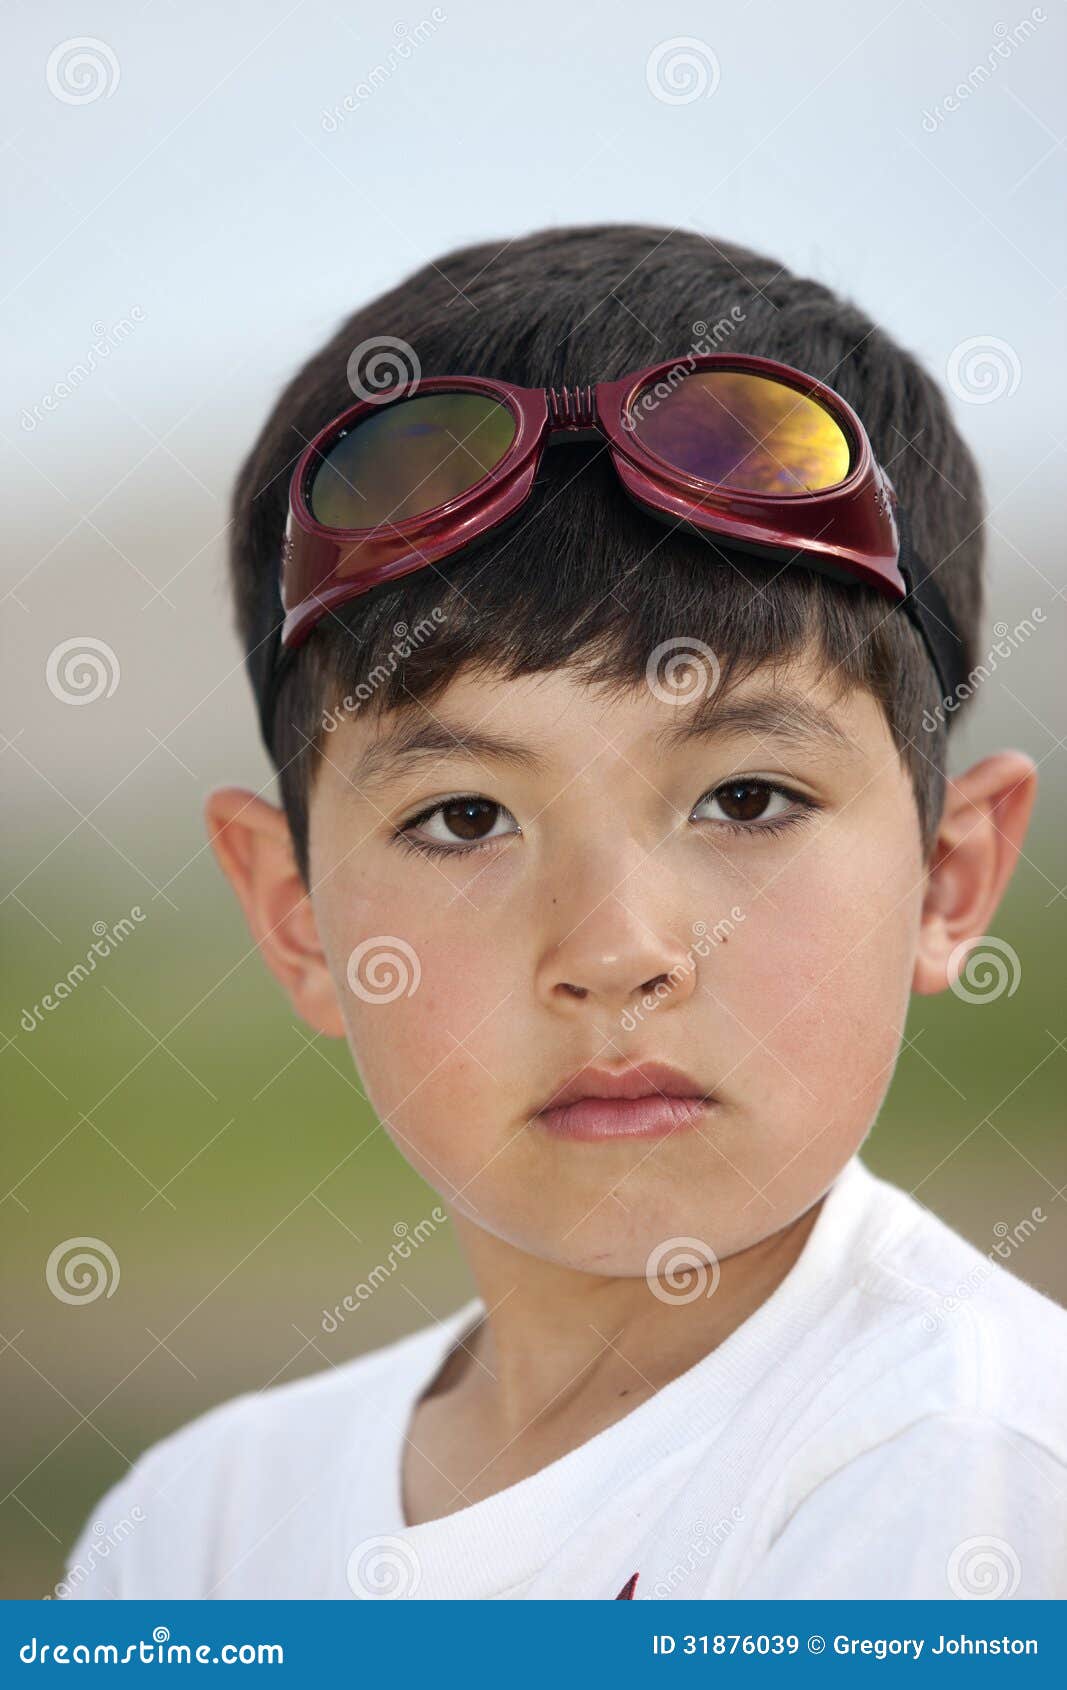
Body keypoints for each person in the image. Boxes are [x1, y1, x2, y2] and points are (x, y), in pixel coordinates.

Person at [60, 224, 1064, 1601]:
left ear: (949, 879)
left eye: (748, 797)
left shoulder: (972, 1469)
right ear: (297, 917)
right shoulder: (194, 1531)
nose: (613, 951)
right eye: (465, 818)